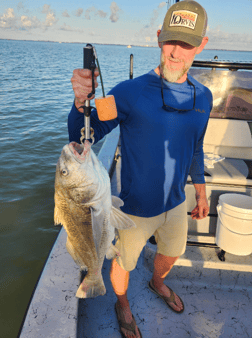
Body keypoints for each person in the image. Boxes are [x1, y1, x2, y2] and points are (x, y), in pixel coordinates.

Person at [68, 1, 212, 337]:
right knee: (123, 263)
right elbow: (84, 136)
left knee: (172, 252)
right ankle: (123, 304)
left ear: (202, 45)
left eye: (187, 44)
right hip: (134, 210)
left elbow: (197, 148)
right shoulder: (129, 92)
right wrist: (79, 104)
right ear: (159, 37)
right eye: (171, 41)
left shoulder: (203, 97)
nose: (176, 52)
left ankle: (157, 282)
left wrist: (201, 192)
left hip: (177, 203)